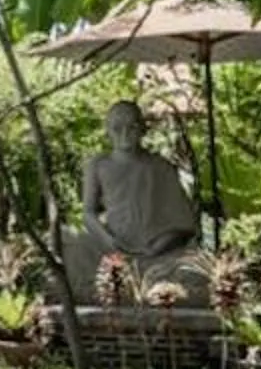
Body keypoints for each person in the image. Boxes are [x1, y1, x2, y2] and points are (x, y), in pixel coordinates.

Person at [65, 99, 203, 299]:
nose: (125, 133)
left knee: (193, 270)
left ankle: (144, 285)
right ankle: (118, 283)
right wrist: (108, 240)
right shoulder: (99, 165)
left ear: (143, 129)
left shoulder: (160, 166)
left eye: (132, 127)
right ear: (107, 131)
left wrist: (158, 247)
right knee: (67, 244)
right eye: (117, 128)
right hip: (111, 250)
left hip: (156, 255)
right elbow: (88, 213)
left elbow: (182, 224)